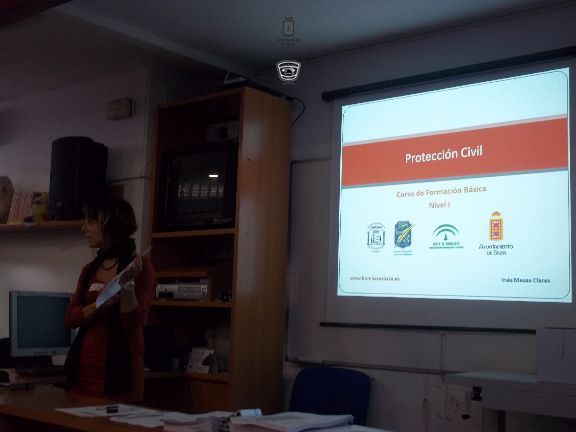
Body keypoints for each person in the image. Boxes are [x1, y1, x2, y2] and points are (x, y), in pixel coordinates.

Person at [64, 197, 156, 402]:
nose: (83, 229)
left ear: (111, 226)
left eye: (91, 222)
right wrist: (98, 306)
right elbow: (70, 319)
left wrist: (127, 286)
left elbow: (133, 324)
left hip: (120, 377)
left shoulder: (141, 267)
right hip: (82, 375)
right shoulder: (89, 270)